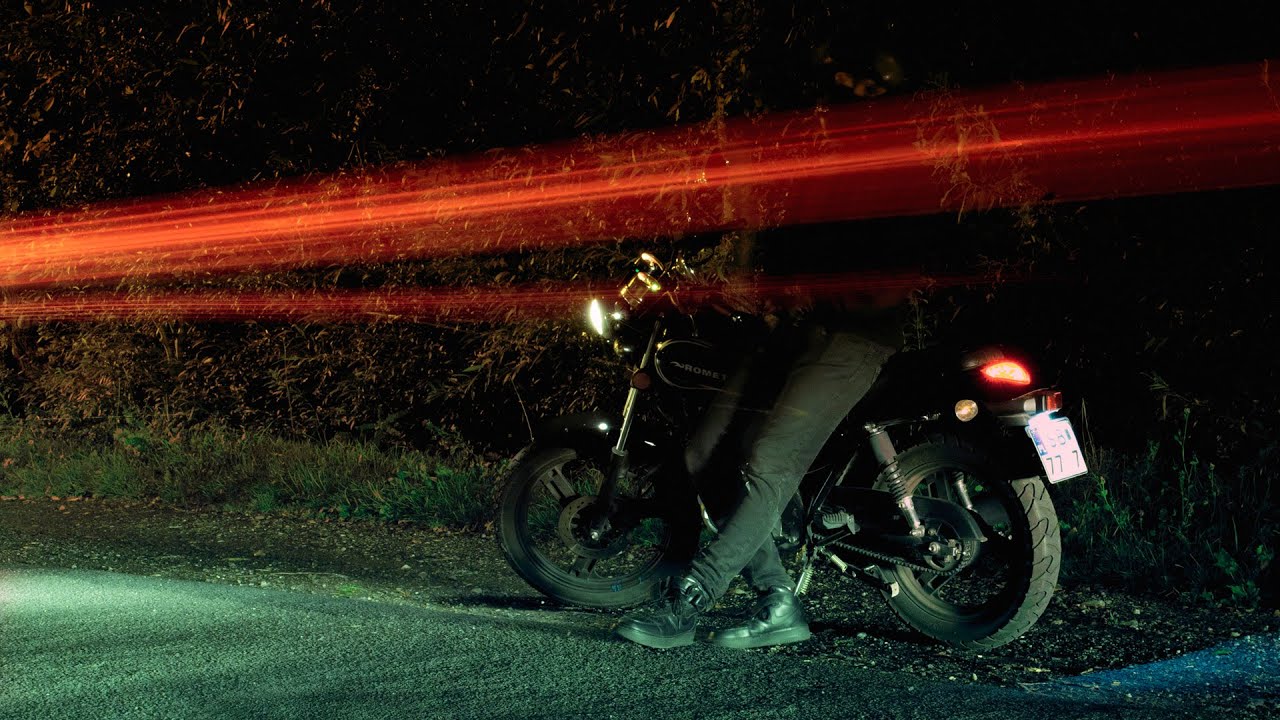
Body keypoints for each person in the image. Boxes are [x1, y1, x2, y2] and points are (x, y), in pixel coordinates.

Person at [614, 280, 905, 650]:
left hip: (851, 338)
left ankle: (694, 593)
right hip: (787, 334)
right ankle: (778, 599)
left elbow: (889, 285)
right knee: (704, 454)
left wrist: (814, 295)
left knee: (771, 461)